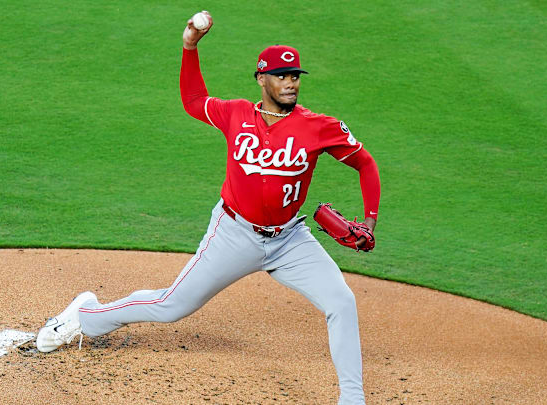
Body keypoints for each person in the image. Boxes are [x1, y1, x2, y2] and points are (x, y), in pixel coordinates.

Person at [36, 11, 380, 405]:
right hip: (234, 233)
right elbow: (193, 100)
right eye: (282, 75)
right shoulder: (235, 114)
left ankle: (352, 399)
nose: (290, 82)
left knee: (341, 301)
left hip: (290, 239)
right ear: (261, 79)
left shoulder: (319, 126)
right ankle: (86, 315)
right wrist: (190, 46)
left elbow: (365, 163)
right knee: (171, 306)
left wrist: (370, 218)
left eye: (295, 75)